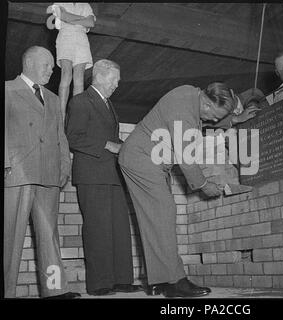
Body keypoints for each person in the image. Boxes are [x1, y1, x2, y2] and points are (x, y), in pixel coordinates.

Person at [118, 82, 236, 297]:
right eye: (214, 117)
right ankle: (175, 282)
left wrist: (235, 119)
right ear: (208, 105)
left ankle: (158, 281)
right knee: (164, 212)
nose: (213, 121)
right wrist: (203, 185)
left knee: (155, 218)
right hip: (142, 158)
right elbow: (187, 159)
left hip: (146, 158)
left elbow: (201, 125)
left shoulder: (190, 95)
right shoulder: (184, 110)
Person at [4, 46, 79, 299]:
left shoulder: (54, 99)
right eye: (46, 65)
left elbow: (61, 137)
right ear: (28, 62)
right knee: (9, 238)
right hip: (17, 173)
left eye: (52, 67)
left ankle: (55, 290)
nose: (51, 70)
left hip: (49, 175)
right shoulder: (7, 89)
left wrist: (64, 166)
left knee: (50, 238)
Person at [65, 59, 140, 296]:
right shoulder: (80, 101)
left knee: (119, 228)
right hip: (91, 175)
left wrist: (130, 148)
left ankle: (122, 279)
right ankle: (99, 284)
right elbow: (73, 137)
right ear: (98, 76)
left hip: (112, 175)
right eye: (114, 79)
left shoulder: (108, 104)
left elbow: (114, 142)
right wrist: (108, 145)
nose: (117, 84)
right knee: (98, 229)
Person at [47, 3, 96, 121]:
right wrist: (81, 20)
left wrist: (67, 16)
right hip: (65, 37)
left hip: (82, 39)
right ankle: (61, 115)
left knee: (79, 78)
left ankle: (76, 115)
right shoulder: (60, 3)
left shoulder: (86, 5)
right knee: (66, 74)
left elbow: (91, 23)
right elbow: (57, 19)